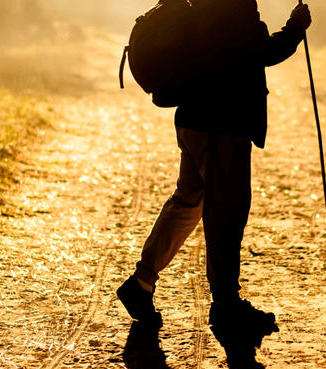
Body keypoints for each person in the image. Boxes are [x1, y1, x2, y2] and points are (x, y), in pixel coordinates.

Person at [117, 0, 311, 333]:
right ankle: (225, 305)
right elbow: (263, 51)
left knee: (189, 202)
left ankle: (141, 284)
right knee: (227, 213)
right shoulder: (235, 6)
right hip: (222, 123)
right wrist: (296, 26)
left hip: (194, 120)